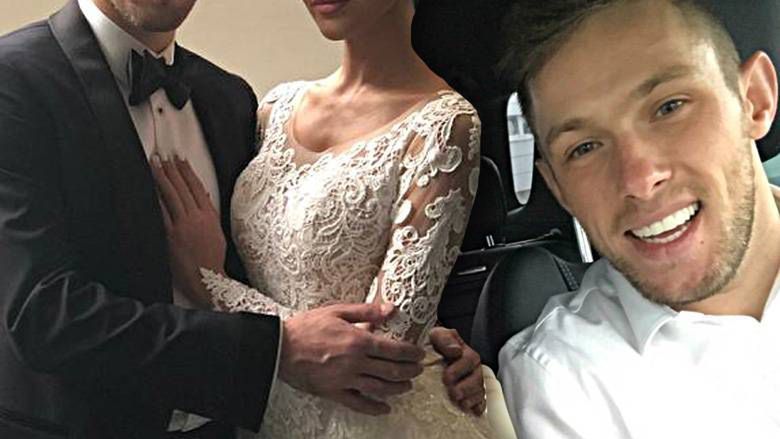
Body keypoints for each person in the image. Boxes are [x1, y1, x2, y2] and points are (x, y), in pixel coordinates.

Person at [0, 0, 485, 437]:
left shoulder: (231, 98)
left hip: (243, 424)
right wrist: (277, 345)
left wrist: (421, 336)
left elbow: (283, 257)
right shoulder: (15, 80)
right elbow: (43, 313)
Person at [150, 0, 495, 437]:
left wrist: (212, 284)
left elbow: (382, 353)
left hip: (375, 424)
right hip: (265, 419)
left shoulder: (446, 124)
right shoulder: (275, 107)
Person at [498, 0, 780, 438]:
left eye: (669, 107)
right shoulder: (566, 379)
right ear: (558, 188)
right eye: (584, 148)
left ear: (754, 101)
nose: (639, 180)